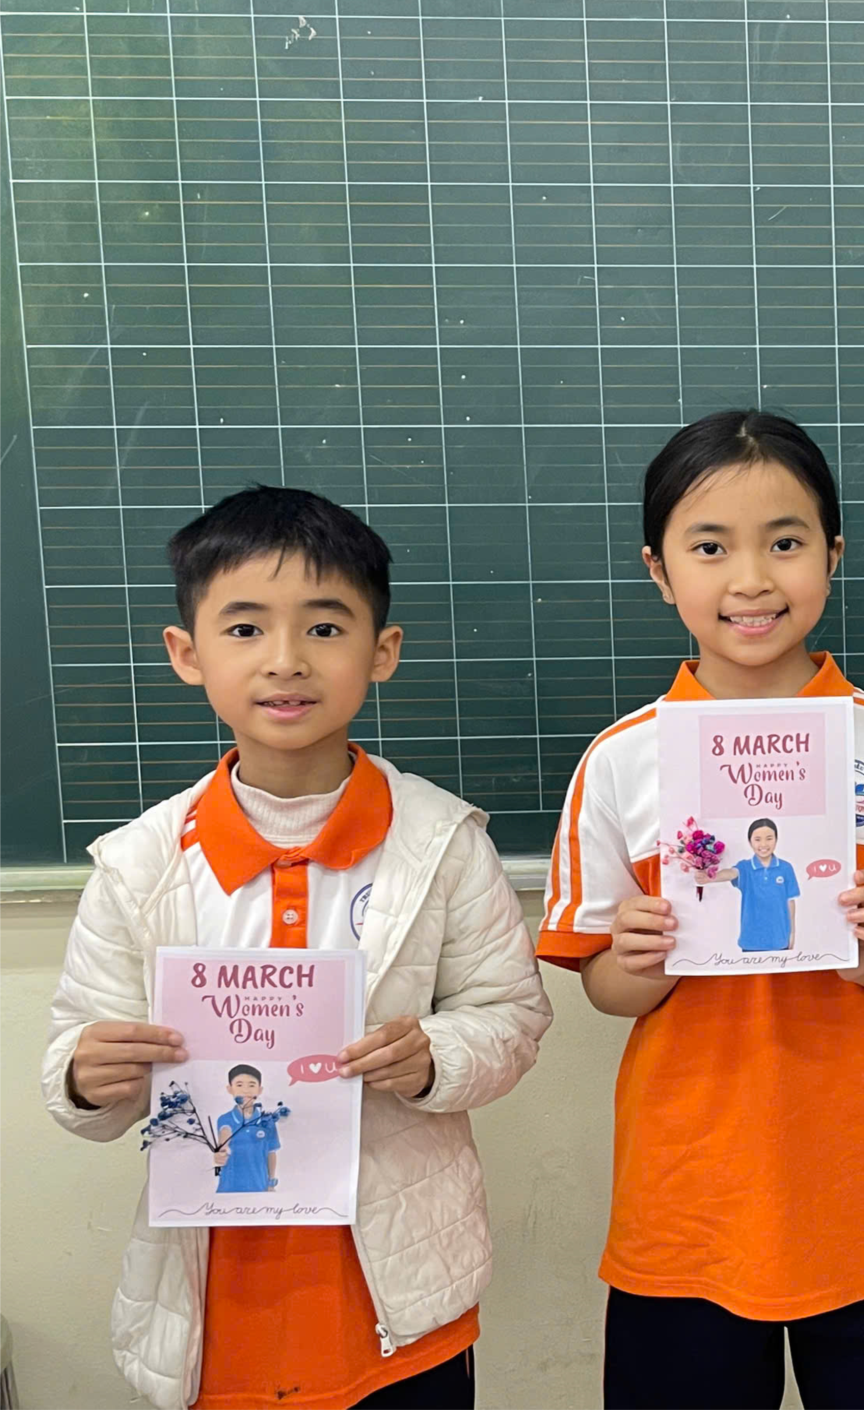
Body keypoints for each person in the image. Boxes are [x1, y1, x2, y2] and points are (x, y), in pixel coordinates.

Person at [43, 486, 552, 1410]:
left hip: (397, 1302)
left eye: (324, 628)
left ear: (381, 652)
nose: (286, 660)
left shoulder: (440, 841)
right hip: (211, 1304)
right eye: (244, 629)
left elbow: (511, 1017)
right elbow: (78, 1060)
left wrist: (434, 1056)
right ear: (187, 654)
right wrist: (87, 1074)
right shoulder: (140, 864)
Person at [536, 411, 864, 1410]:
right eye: (709, 548)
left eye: (784, 543)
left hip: (862, 1204)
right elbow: (603, 986)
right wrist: (636, 959)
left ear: (832, 553)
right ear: (658, 571)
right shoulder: (623, 760)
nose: (750, 579)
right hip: (686, 1206)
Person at [705, 818, 803, 951]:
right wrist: (710, 876)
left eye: (769, 838)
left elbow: (790, 902)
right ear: (750, 842)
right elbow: (731, 873)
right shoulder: (745, 867)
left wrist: (792, 933)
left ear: (776, 839)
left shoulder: (785, 868)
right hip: (751, 941)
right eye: (757, 839)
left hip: (780, 941)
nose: (764, 844)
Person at [213, 1065, 283, 1193]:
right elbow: (224, 1136)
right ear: (229, 1089)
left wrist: (271, 1182)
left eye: (251, 1085)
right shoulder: (225, 1119)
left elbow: (271, 1153)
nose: (246, 1090)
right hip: (229, 1187)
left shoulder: (267, 1121)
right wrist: (221, 1152)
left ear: (260, 1090)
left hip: (259, 1186)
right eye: (239, 1085)